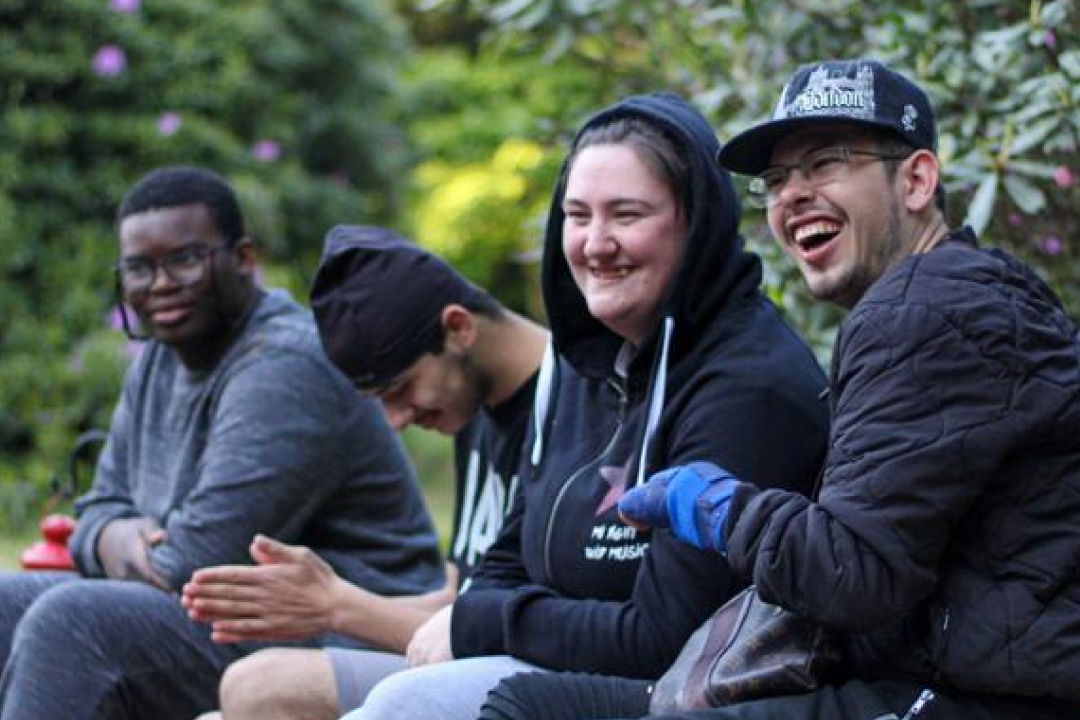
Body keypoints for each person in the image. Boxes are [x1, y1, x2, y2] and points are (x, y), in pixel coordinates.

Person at [484, 58, 1080, 720]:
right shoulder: (956, 295)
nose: (791, 195)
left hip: (981, 699)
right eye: (775, 180)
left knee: (528, 709)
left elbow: (854, 576)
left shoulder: (925, 307)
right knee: (532, 702)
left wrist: (717, 505)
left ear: (915, 180)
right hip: (946, 679)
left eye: (825, 164)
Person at [341, 92, 831, 720]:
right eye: (577, 215)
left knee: (406, 705)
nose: (595, 244)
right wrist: (484, 612)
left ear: (696, 222)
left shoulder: (749, 387)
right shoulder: (584, 364)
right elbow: (506, 558)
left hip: (690, 694)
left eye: (626, 214)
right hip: (556, 671)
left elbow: (664, 638)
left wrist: (485, 620)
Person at [0, 167, 444, 720]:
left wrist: (125, 541)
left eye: (184, 260)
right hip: (217, 618)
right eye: (139, 268)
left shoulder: (284, 364)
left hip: (339, 631)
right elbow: (95, 513)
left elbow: (194, 561)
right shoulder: (161, 357)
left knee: (73, 620)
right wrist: (125, 537)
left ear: (243, 258)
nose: (159, 284)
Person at [180, 225, 548, 720]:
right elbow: (462, 603)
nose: (395, 422)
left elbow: (512, 630)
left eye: (401, 389)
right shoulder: (476, 406)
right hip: (469, 659)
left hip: (535, 677)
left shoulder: (575, 405)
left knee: (263, 686)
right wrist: (325, 601)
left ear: (459, 329)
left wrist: (337, 605)